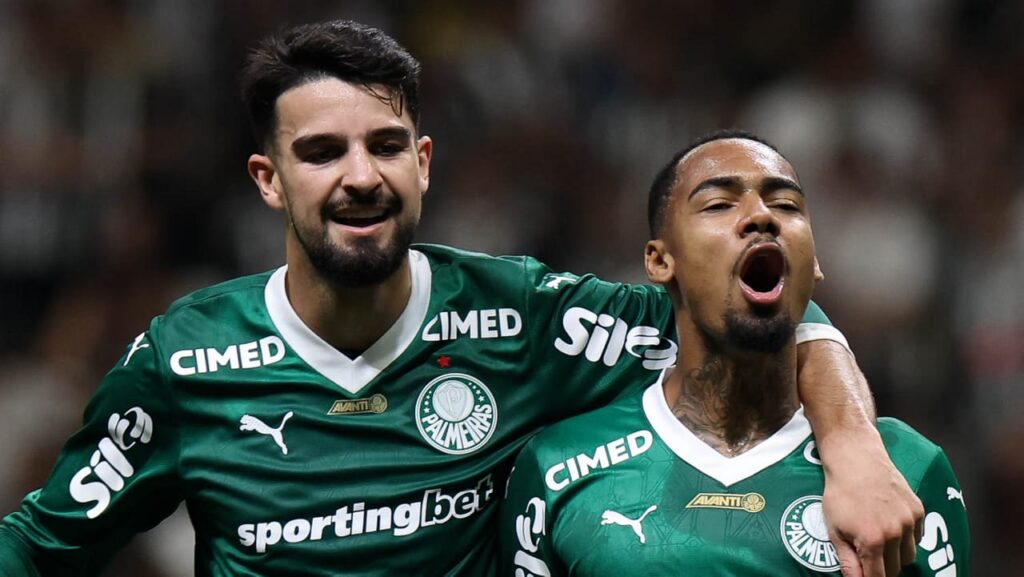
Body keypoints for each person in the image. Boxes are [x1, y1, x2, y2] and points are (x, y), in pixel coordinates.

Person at [0, 21, 921, 576]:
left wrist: (854, 448)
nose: (361, 176)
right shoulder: (188, 357)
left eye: (385, 145)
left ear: (424, 162)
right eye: (321, 153)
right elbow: (42, 547)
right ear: (268, 180)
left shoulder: (523, 316)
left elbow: (759, 313)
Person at [499, 131, 970, 576]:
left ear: (814, 262)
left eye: (786, 205)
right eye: (719, 204)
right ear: (660, 261)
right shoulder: (558, 467)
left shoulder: (905, 468)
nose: (762, 216)